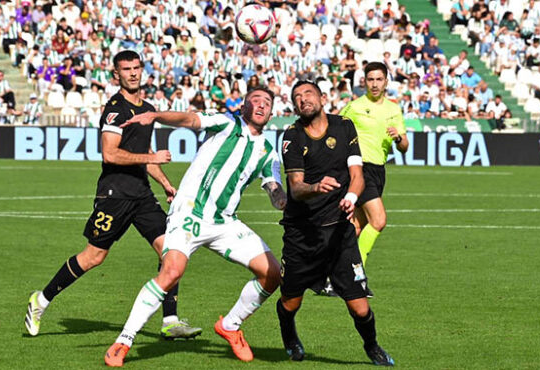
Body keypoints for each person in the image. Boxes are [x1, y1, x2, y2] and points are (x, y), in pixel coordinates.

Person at [25, 51, 201, 340]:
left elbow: (145, 158)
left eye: (136, 68)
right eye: (126, 69)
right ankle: (40, 301)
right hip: (115, 195)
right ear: (116, 75)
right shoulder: (116, 109)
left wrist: (167, 184)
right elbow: (109, 154)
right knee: (94, 256)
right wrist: (151, 155)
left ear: (143, 71)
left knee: (171, 251)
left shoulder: (147, 109)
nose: (132, 73)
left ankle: (170, 320)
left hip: (142, 195)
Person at [103, 86, 285, 366]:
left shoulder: (268, 153)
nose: (261, 105)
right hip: (189, 212)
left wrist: (283, 199)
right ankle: (124, 340)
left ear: (272, 113)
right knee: (172, 271)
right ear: (243, 106)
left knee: (272, 274)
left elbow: (273, 187)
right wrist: (156, 115)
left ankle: (231, 325)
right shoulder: (226, 123)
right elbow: (190, 120)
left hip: (223, 222)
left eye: (267, 102)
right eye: (255, 100)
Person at [276, 80, 394, 366]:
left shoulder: (344, 126)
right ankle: (290, 337)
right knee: (291, 302)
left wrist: (352, 196)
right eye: (297, 97)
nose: (303, 99)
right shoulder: (292, 136)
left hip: (340, 233)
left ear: (322, 98)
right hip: (302, 234)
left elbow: (357, 172)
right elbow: (296, 187)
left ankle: (372, 346)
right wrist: (316, 187)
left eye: (308, 94)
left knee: (360, 307)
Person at [335, 62, 407, 297]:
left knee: (356, 227)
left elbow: (405, 146)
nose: (374, 84)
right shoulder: (354, 107)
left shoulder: (394, 110)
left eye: (379, 79)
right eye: (370, 79)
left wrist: (398, 138)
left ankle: (330, 275)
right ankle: (356, 277)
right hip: (359, 169)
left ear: (386, 82)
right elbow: (333, 129)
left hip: (378, 170)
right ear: (364, 82)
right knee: (379, 220)